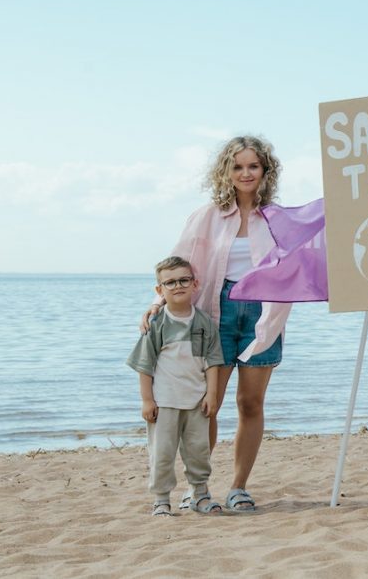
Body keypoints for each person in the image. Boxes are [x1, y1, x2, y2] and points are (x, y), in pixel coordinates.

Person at [140, 135, 293, 513]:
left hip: (263, 312)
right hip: (216, 313)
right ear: (226, 171)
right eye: (238, 166)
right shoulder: (206, 216)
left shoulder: (277, 217)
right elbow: (180, 262)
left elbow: (298, 263)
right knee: (208, 404)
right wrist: (158, 301)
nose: (245, 173)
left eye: (253, 166)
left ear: (265, 171)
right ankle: (199, 487)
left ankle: (239, 486)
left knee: (251, 403)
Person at [127, 256, 224, 516]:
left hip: (196, 402)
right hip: (165, 403)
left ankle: (200, 494)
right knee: (162, 453)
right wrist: (147, 400)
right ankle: (161, 499)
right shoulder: (156, 324)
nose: (177, 286)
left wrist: (212, 395)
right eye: (169, 282)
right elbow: (144, 366)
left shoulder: (204, 324)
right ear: (160, 290)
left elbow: (212, 362)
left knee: (198, 452)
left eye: (184, 280)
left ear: (195, 284)